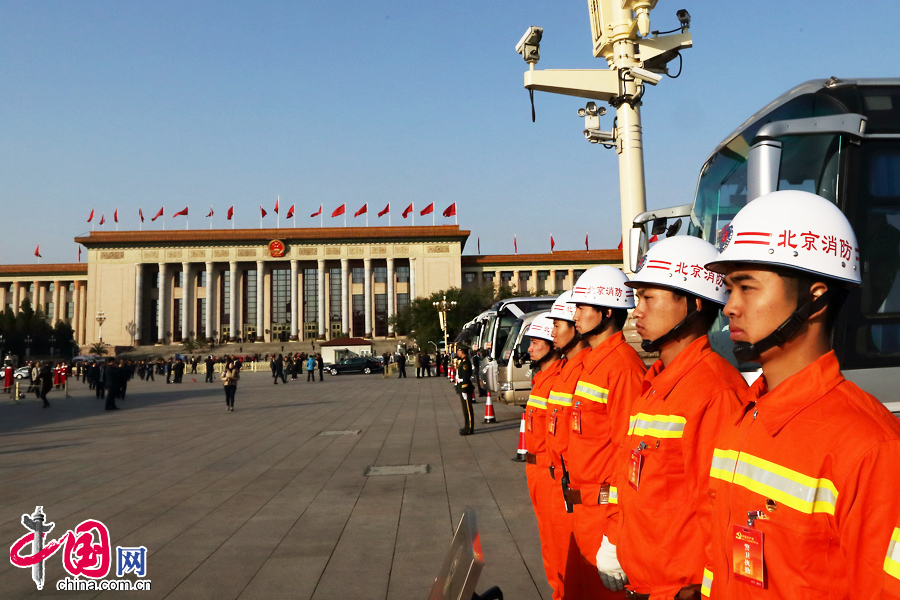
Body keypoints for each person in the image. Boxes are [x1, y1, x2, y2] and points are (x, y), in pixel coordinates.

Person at [699, 190, 900, 599]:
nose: (729, 307)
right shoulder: (746, 415)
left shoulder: (870, 446)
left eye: (747, 287)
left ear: (816, 298)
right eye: (728, 288)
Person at [598, 237, 746, 600]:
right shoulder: (655, 385)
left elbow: (720, 510)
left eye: (649, 298)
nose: (636, 312)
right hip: (647, 583)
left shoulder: (715, 392)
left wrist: (700, 589)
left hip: (681, 589)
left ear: (694, 305)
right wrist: (614, 538)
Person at [566, 266, 646, 598]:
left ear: (607, 311)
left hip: (603, 514)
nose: (576, 316)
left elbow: (626, 454)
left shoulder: (622, 368)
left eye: (583, 307)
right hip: (584, 509)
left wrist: (613, 536)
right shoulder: (594, 363)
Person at [543, 290, 591, 600]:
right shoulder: (566, 371)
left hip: (583, 491)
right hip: (560, 481)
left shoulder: (596, 370)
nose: (552, 333)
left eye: (558, 324)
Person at [522, 312, 564, 598]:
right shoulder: (541, 380)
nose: (529, 349)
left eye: (536, 342)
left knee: (559, 548)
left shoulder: (558, 380)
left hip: (550, 472)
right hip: (535, 471)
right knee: (549, 546)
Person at [455, 345, 475, 435]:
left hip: (465, 387)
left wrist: (464, 388)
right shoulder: (463, 361)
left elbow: (466, 376)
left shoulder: (466, 363)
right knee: (465, 409)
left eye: (458, 350)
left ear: (461, 351)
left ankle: (470, 428)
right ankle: (466, 426)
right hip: (462, 386)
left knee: (468, 408)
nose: (457, 352)